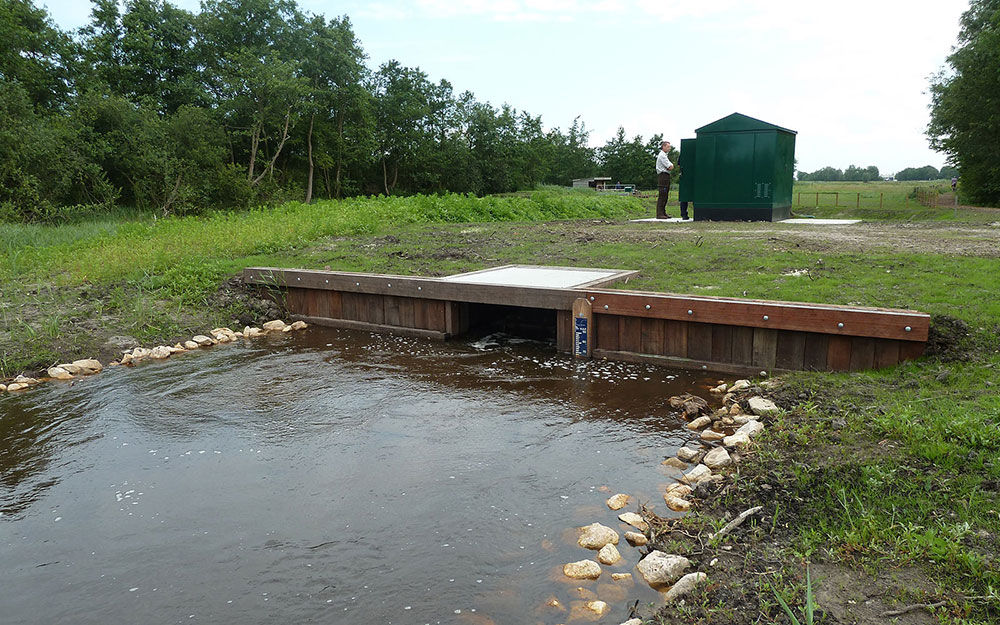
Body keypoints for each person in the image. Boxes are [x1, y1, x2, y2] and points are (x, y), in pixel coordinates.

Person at [655, 140, 674, 219]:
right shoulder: (662, 156)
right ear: (664, 147)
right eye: (668, 147)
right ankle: (659, 214)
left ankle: (663, 212)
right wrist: (671, 166)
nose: (669, 148)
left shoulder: (664, 155)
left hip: (665, 176)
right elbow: (670, 166)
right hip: (663, 176)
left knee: (665, 195)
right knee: (662, 195)